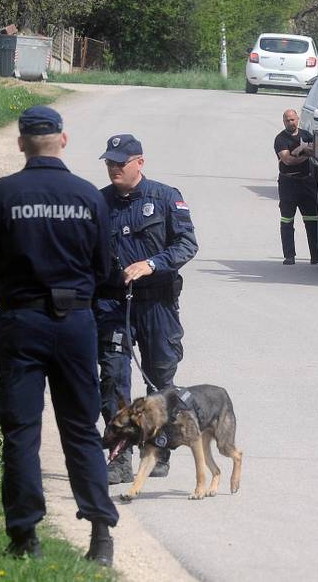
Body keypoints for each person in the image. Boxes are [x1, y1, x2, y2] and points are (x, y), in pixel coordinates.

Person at [0, 106, 117, 566]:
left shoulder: (4, 194)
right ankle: (100, 535)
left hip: (21, 321)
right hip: (75, 324)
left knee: (21, 431)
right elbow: (103, 267)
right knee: (81, 428)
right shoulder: (87, 196)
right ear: (64, 139)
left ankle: (24, 537)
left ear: (21, 143)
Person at [94, 134, 198, 484]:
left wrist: (152, 264)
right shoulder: (97, 203)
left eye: (120, 163)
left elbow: (187, 244)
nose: (113, 169)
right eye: (109, 163)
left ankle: (158, 448)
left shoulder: (166, 198)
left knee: (160, 379)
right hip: (112, 303)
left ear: (140, 162)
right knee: (113, 379)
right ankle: (119, 458)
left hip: (156, 302)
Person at [274, 109, 318, 265]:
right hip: (288, 183)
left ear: (298, 119)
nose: (290, 122)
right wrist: (306, 153)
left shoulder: (306, 135)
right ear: (283, 121)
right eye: (287, 120)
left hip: (307, 182)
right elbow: (288, 160)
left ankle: (316, 256)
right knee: (287, 220)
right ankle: (289, 256)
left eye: (292, 119)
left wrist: (302, 150)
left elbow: (317, 150)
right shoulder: (280, 139)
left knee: (312, 220)